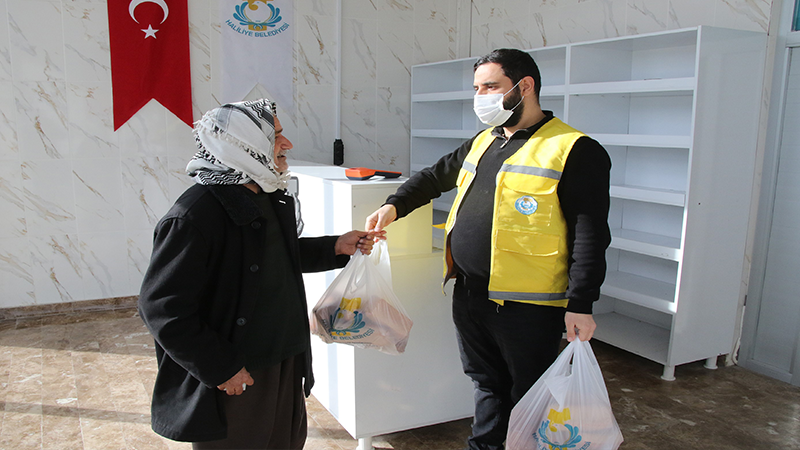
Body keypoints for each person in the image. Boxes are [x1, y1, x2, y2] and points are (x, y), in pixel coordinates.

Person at [365, 49, 611, 450]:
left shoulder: (574, 149)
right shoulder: (484, 141)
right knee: (486, 383)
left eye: (490, 86)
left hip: (529, 306)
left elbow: (591, 233)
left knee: (531, 395)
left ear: (524, 86)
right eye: (477, 88)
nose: (481, 96)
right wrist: (393, 205)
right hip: (471, 294)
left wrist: (581, 302)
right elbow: (433, 177)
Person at [138, 99, 382, 449]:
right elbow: (161, 307)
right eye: (276, 136)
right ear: (242, 146)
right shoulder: (194, 216)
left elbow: (275, 256)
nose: (287, 145)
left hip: (284, 355)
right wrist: (220, 367)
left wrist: (335, 247)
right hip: (241, 370)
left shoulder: (264, 194)